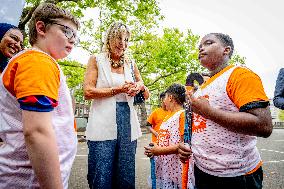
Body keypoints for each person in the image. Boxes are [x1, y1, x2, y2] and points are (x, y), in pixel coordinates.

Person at [178, 33, 273, 189]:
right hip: (202, 171)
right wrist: (185, 144)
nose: (201, 48)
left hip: (236, 176)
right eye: (199, 46)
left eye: (208, 43)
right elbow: (200, 126)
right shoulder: (202, 88)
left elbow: (264, 125)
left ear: (226, 50)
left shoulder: (240, 74)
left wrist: (208, 112)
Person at [0, 3, 80, 188]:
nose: (73, 40)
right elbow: (37, 132)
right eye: (67, 32)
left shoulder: (41, 63)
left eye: (76, 36)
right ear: (41, 27)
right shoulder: (37, 62)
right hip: (28, 180)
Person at [83, 22, 150, 189]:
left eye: (126, 39)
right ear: (109, 38)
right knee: (101, 170)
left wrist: (138, 86)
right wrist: (118, 89)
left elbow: (143, 86)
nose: (123, 43)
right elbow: (88, 91)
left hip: (127, 119)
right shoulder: (96, 59)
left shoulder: (130, 63)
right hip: (102, 120)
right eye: (119, 38)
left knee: (126, 172)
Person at [144, 83, 195, 189]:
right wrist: (154, 147)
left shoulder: (182, 115)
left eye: (165, 97)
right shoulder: (168, 115)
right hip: (166, 166)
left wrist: (158, 151)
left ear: (170, 97)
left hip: (178, 167)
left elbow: (184, 145)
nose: (163, 101)